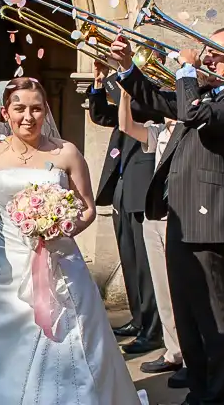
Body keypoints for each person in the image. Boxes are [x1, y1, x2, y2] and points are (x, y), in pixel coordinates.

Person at [0, 78, 143, 404]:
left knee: (70, 338)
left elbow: (88, 208)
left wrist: (61, 228)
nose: (29, 116)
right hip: (5, 263)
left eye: (36, 108)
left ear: (45, 111)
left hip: (61, 260)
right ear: (5, 113)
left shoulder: (66, 152)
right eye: (19, 108)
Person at [110, 27, 224, 405]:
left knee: (216, 318)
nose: (206, 57)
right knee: (188, 314)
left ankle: (220, 397)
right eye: (205, 52)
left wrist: (187, 71)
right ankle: (199, 387)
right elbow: (156, 101)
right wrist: (128, 67)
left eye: (215, 52)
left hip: (207, 218)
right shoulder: (206, 93)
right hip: (178, 214)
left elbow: (193, 113)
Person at [86, 61, 163, 354]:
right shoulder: (128, 94)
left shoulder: (153, 94)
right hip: (120, 182)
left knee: (145, 264)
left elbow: (135, 113)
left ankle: (153, 329)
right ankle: (137, 318)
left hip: (142, 185)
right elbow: (101, 115)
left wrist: (125, 81)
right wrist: (98, 82)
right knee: (129, 258)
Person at [116, 85, 184, 377]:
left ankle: (192, 357)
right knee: (162, 289)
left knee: (180, 290)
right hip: (155, 216)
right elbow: (125, 125)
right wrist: (125, 94)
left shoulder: (190, 127)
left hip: (179, 218)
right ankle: (173, 352)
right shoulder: (161, 131)